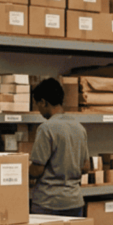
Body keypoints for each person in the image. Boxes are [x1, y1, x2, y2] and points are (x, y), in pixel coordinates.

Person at [29, 78, 90, 217]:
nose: (38, 110)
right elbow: (86, 167)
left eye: (37, 104)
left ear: (44, 102)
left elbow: (37, 170)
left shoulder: (46, 128)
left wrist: (21, 171)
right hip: (74, 202)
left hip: (48, 202)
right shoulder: (79, 127)